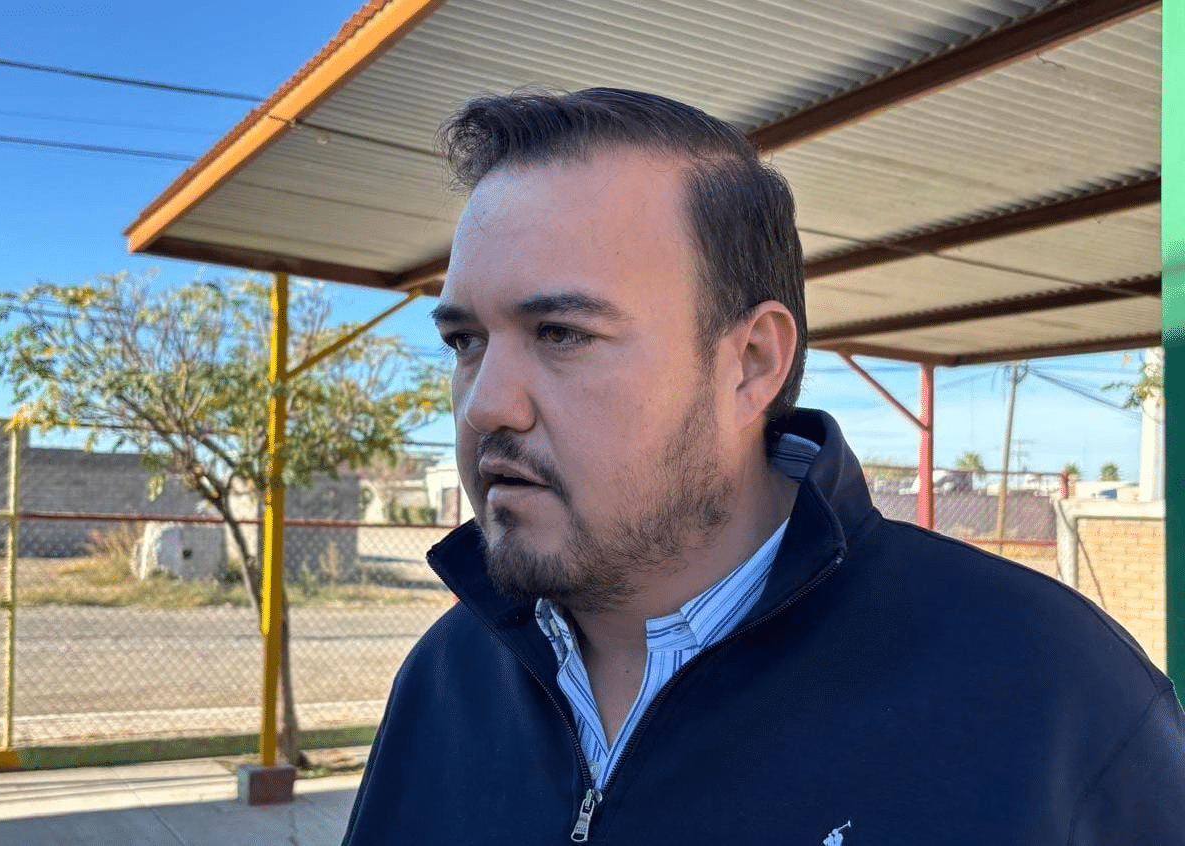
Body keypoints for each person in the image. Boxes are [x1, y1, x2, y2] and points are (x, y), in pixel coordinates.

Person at [342, 88, 1185, 845]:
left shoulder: (1049, 694)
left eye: (562, 334)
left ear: (751, 363)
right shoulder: (444, 682)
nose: (485, 405)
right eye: (465, 341)